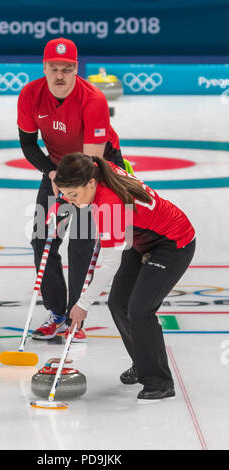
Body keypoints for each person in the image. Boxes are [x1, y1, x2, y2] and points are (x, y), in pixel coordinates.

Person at [53, 152, 196, 401]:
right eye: (66, 195)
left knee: (140, 309)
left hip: (172, 244)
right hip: (139, 239)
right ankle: (143, 363)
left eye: (74, 195)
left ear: (90, 183)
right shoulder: (96, 168)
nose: (71, 201)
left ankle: (159, 381)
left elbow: (108, 263)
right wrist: (62, 199)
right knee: (118, 303)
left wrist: (82, 304)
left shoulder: (108, 204)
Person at [17, 37, 130, 342]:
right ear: (44, 67)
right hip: (56, 167)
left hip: (96, 167)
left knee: (80, 241)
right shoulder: (30, 95)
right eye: (54, 68)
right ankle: (55, 313)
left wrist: (68, 193)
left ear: (75, 68)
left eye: (67, 69)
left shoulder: (93, 99)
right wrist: (52, 173)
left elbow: (91, 162)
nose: (60, 75)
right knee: (42, 238)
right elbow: (28, 144)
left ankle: (74, 317)